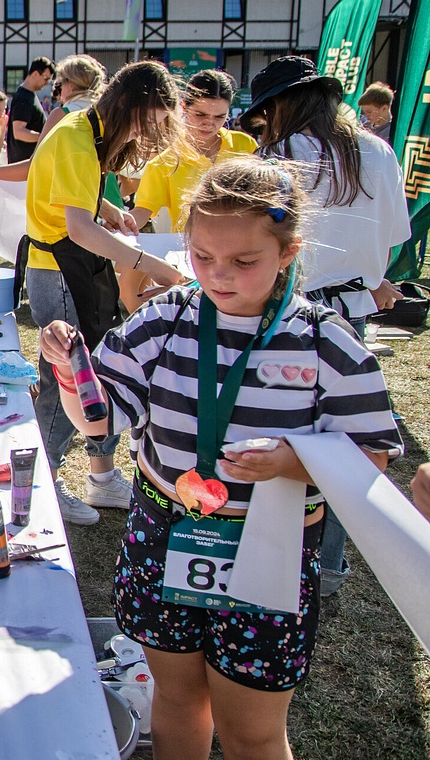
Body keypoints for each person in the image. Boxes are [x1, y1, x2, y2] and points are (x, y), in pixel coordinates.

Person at [40, 157, 401, 760]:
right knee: (176, 704)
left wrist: (293, 464)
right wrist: (71, 374)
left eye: (243, 262)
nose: (218, 276)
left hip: (270, 544)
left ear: (288, 252)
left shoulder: (324, 342)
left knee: (253, 731)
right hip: (166, 531)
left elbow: (373, 458)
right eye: (202, 257)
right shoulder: (165, 319)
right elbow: (103, 419)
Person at [238, 55, 410, 596]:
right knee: (342, 443)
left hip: (288, 313)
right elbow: (394, 239)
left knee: (281, 438)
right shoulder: (378, 151)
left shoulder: (279, 159)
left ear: (281, 107)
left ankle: (274, 553)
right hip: (353, 315)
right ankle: (328, 563)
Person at [23, 60, 183, 524]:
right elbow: (76, 228)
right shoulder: (77, 138)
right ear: (131, 107)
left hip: (67, 268)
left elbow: (67, 196)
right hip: (59, 271)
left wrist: (108, 209)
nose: (144, 138)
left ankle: (101, 477)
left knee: (97, 376)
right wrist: (147, 263)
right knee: (65, 381)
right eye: (147, 125)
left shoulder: (82, 130)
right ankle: (43, 487)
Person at [132, 70, 257, 234]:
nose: (209, 123)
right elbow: (142, 211)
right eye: (201, 115)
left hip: (243, 246)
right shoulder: (164, 163)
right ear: (184, 107)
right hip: (192, 252)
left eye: (219, 117)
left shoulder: (246, 145)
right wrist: (119, 221)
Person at [40, 54, 106, 139]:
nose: (60, 88)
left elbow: (40, 151)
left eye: (61, 83)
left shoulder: (61, 114)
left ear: (70, 84)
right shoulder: (106, 113)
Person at [6, 57, 53, 163]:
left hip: (30, 164)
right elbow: (19, 132)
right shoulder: (23, 97)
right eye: (46, 78)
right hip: (24, 165)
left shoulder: (30, 96)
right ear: (35, 74)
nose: (46, 83)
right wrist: (46, 136)